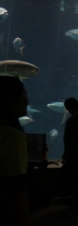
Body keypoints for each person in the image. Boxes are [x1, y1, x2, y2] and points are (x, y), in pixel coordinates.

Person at [0, 76, 32, 226]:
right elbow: (14, 187)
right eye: (24, 95)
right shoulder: (11, 135)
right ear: (11, 100)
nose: (27, 101)